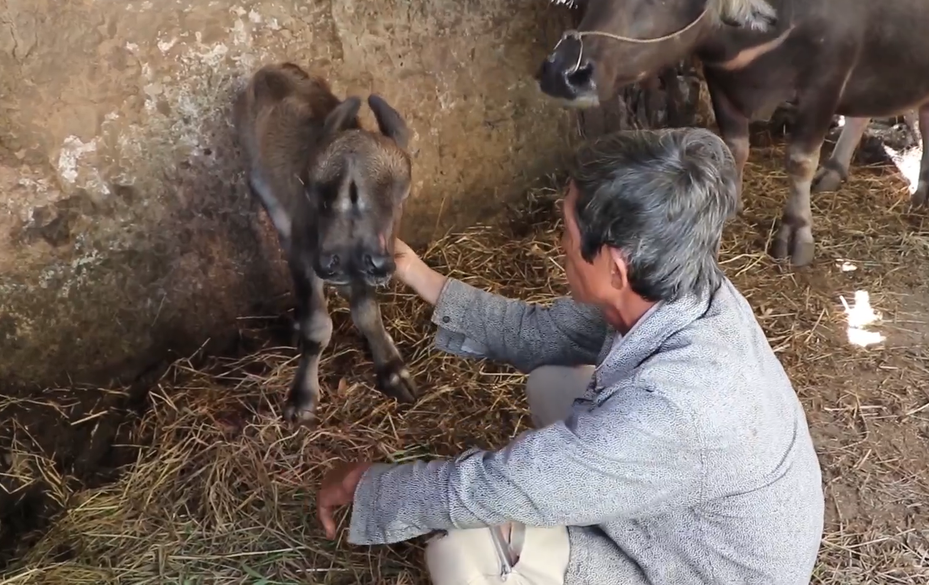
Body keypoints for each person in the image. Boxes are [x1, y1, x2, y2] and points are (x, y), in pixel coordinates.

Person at [315, 127, 825, 585]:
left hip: (695, 569)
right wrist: (419, 274)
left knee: (462, 551)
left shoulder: (673, 408)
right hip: (686, 519)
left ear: (615, 268)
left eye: (566, 229)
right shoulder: (678, 284)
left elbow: (497, 486)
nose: (558, 243)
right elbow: (540, 334)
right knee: (552, 381)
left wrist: (372, 488)